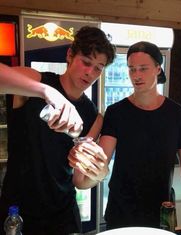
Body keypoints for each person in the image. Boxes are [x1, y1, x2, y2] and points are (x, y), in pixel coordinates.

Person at [68, 41, 181, 231]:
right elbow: (102, 159)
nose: (136, 75)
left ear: (157, 68)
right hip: (121, 209)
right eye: (132, 69)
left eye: (143, 69)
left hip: (162, 209)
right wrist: (86, 173)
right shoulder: (116, 112)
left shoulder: (178, 114)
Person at [0, 26, 115, 235]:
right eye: (86, 62)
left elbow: (80, 180)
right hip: (18, 211)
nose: (90, 73)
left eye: (99, 68)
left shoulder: (92, 115)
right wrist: (45, 91)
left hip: (63, 214)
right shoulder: (36, 81)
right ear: (70, 55)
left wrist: (98, 174)